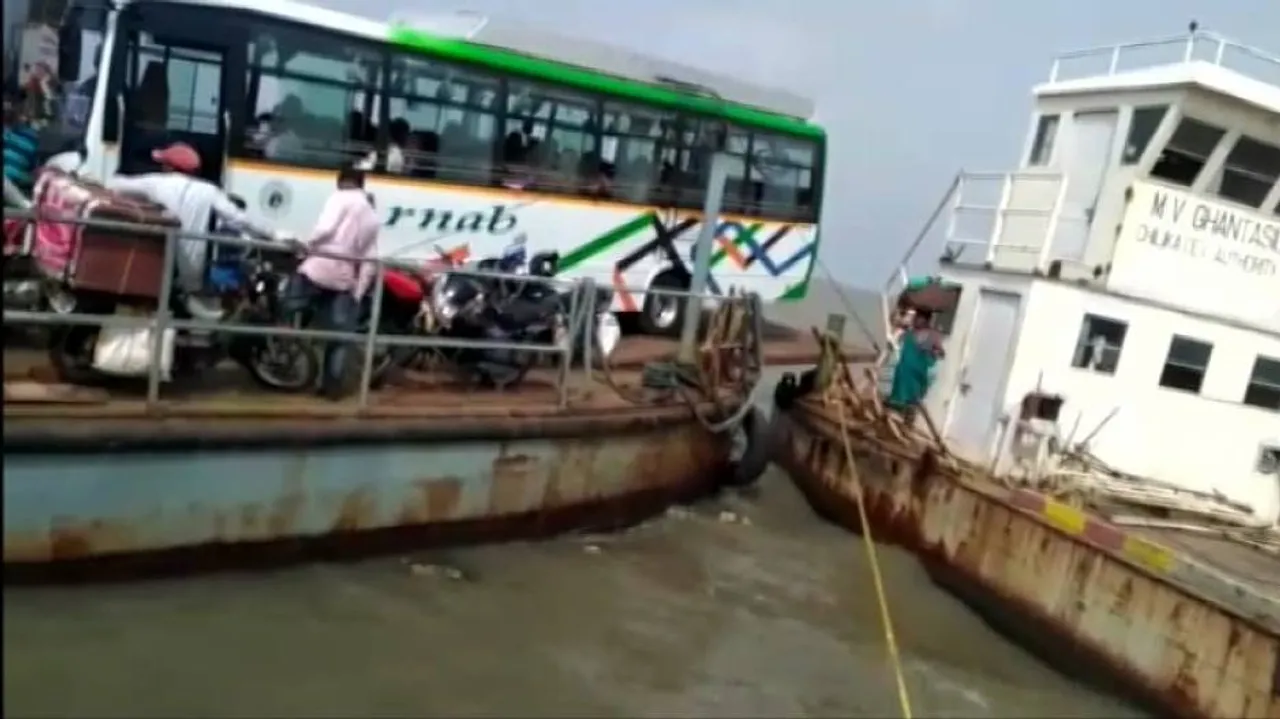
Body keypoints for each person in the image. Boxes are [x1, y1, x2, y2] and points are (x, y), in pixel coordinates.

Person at [105, 143, 289, 318]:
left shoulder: (157, 183)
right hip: (192, 272)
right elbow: (239, 218)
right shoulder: (209, 191)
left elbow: (114, 185)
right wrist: (274, 235)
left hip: (159, 267)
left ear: (169, 168)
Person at [288, 164, 380, 399]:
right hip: (343, 279)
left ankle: (283, 347)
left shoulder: (340, 197)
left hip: (317, 269)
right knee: (338, 336)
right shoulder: (372, 215)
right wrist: (357, 292)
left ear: (341, 181)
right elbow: (370, 260)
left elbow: (325, 229)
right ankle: (331, 389)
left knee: (287, 305)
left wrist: (306, 244)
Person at [886, 308, 945, 423]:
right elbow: (894, 340)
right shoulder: (909, 333)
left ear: (926, 320)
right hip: (902, 377)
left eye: (918, 318)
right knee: (896, 406)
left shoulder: (933, 335)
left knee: (912, 405)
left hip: (919, 376)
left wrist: (932, 352)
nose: (915, 320)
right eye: (915, 317)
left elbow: (941, 353)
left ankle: (907, 423)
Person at [4, 91, 40, 199]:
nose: (8, 105)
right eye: (6, 100)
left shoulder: (31, 137)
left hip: (20, 191)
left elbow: (32, 169)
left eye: (14, 101)